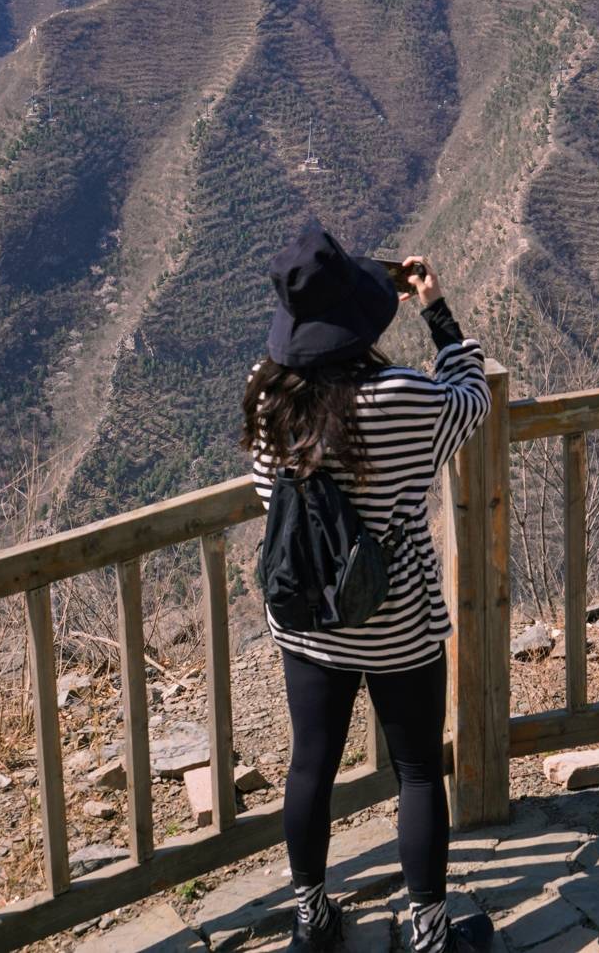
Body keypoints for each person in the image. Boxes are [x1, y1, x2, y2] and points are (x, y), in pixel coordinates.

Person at [242, 219, 494, 953]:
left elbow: (268, 493)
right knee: (416, 771)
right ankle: (428, 931)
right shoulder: (402, 399)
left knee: (310, 766)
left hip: (307, 619)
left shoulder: (265, 399)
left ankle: (311, 921)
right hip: (397, 622)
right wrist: (433, 309)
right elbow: (470, 397)